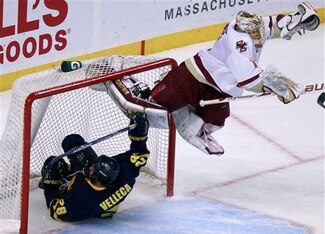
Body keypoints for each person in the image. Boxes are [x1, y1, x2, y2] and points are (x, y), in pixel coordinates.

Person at [148, 2, 320, 155]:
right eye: (254, 32)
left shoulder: (252, 26)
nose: (259, 34)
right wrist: (275, 87)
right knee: (152, 109)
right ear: (244, 31)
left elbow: (274, 25)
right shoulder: (239, 43)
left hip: (219, 87)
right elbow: (249, 81)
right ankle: (166, 95)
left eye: (258, 30)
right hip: (194, 77)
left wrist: (294, 21)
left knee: (215, 121)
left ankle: (188, 122)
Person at [38, 113, 150, 222]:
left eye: (93, 169)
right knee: (73, 141)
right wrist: (139, 137)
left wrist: (50, 187)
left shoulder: (82, 201)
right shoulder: (125, 175)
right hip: (99, 194)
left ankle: (64, 177)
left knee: (52, 164)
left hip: (83, 199)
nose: (91, 166)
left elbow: (56, 212)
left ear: (96, 178)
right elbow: (139, 155)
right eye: (95, 164)